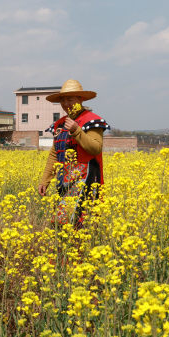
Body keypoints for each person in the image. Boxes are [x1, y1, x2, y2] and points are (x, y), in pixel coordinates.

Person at [38, 79, 110, 227]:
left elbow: (96, 148)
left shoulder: (92, 120)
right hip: (63, 180)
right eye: (62, 100)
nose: (66, 104)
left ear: (80, 99)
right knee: (61, 223)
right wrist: (45, 180)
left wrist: (77, 130)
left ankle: (79, 250)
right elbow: (54, 153)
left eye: (70, 99)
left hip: (86, 180)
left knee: (79, 223)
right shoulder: (60, 123)